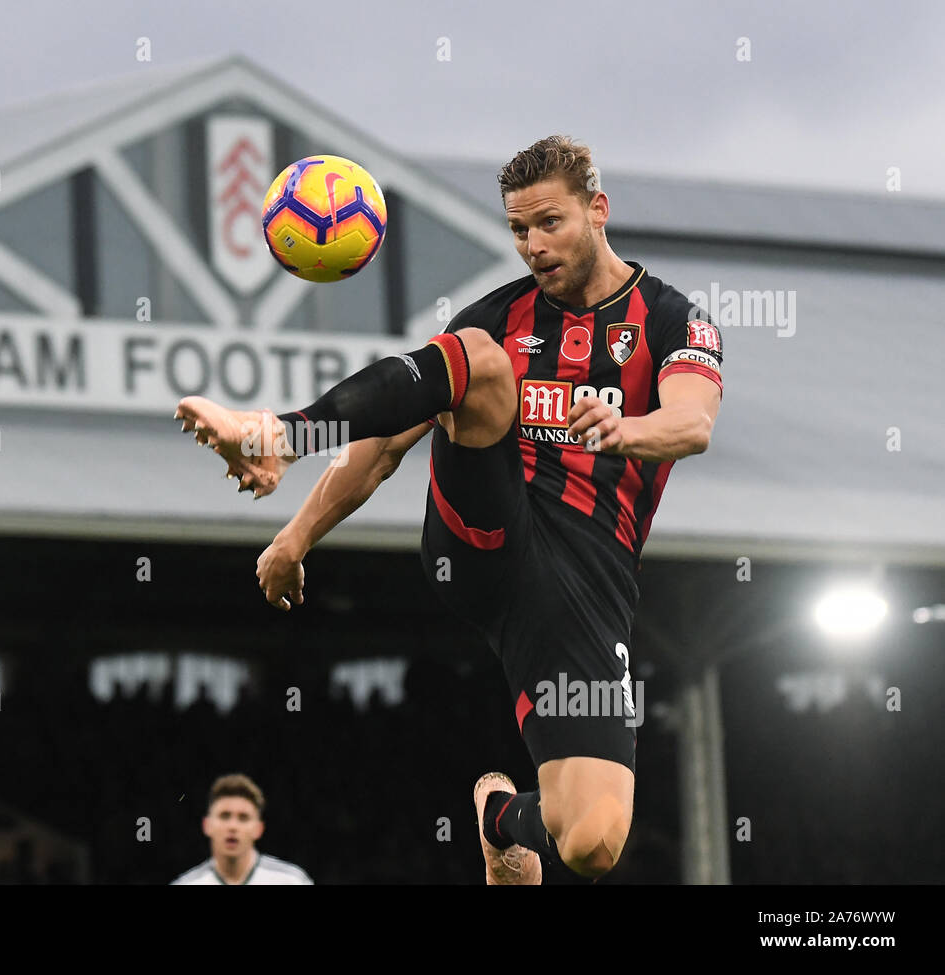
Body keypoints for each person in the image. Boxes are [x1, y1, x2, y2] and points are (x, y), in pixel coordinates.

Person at [174, 136, 723, 885]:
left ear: (598, 210)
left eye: (550, 223)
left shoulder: (673, 319)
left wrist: (627, 429)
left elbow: (691, 424)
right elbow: (383, 442)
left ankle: (499, 820)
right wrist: (294, 535)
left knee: (594, 839)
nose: (533, 245)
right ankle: (280, 428)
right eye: (518, 230)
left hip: (584, 588)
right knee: (478, 361)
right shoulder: (498, 319)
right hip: (483, 540)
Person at [170, 774, 313, 885]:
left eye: (243, 818)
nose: (233, 826)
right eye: (224, 816)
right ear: (207, 825)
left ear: (259, 829)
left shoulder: (291, 881)